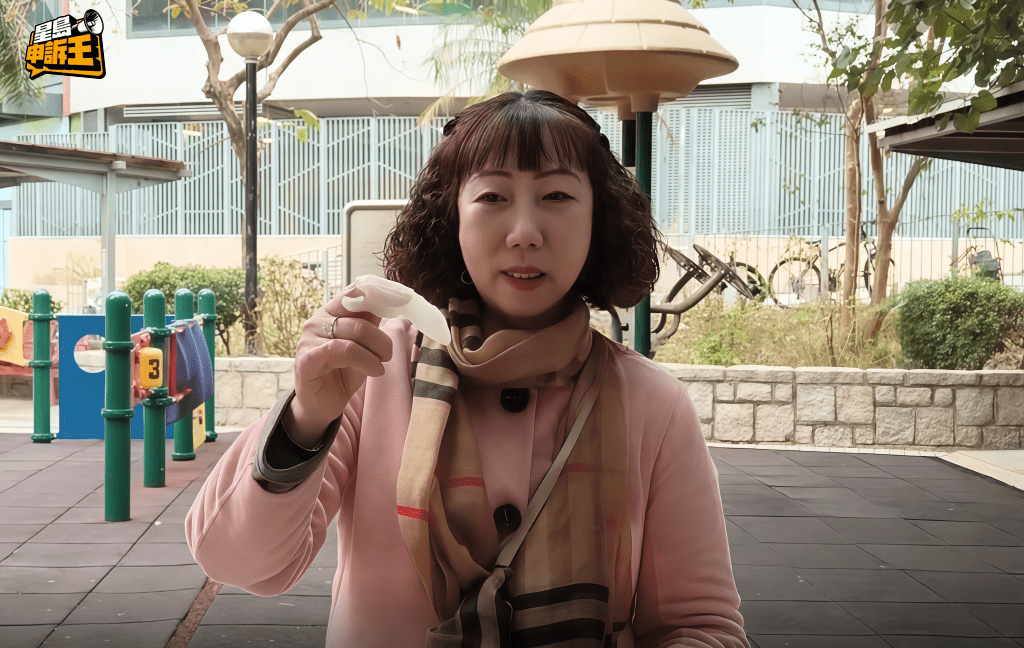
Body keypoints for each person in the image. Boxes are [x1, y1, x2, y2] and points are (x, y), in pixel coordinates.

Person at [185, 90, 749, 648]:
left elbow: (700, 626)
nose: (524, 231)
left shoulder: (652, 403)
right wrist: (307, 416)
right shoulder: (375, 371)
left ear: (597, 219)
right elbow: (238, 562)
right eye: (492, 196)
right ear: (450, 217)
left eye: (556, 195)